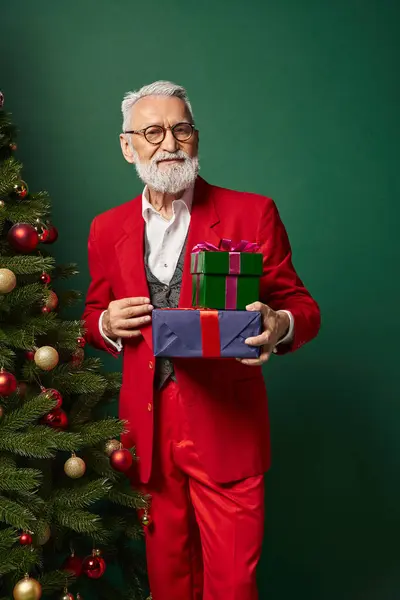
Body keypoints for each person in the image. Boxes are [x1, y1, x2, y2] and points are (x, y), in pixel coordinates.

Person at [82, 80, 320, 600]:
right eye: (153, 131)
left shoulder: (251, 213)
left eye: (181, 128)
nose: (169, 142)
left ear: (196, 138)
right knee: (169, 582)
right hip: (148, 429)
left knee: (232, 584)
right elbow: (93, 313)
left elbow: (303, 307)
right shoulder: (107, 228)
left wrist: (279, 325)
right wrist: (103, 325)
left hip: (226, 425)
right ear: (128, 147)